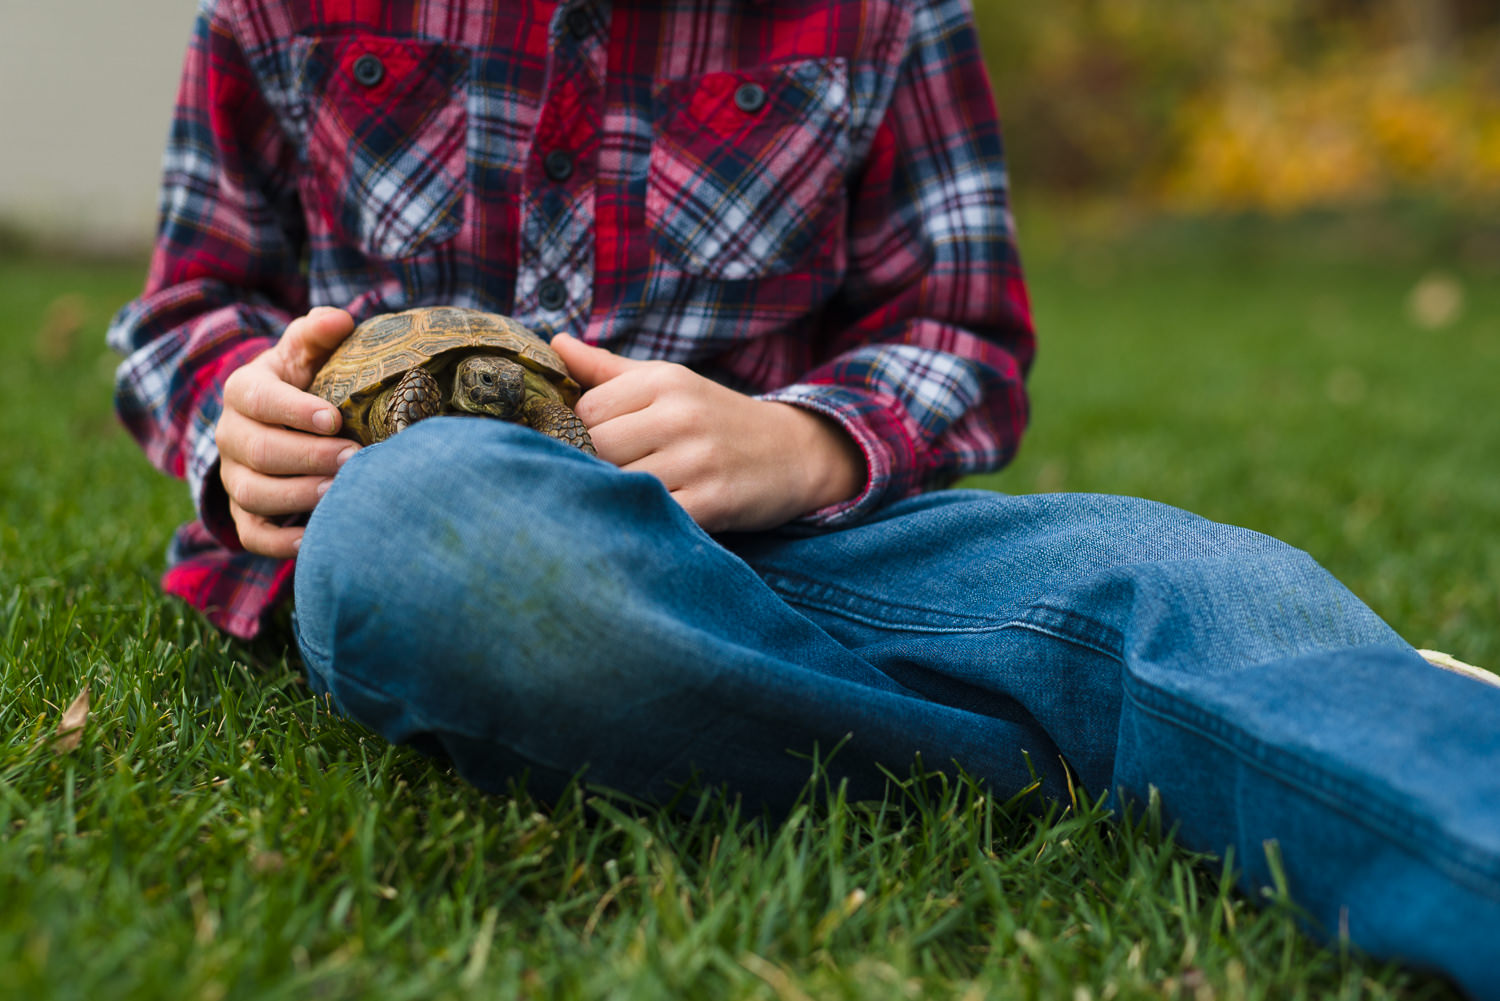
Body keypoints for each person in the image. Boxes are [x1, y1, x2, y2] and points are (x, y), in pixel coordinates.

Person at [109, 1, 1499, 996]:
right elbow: (186, 308)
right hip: (471, 525)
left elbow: (962, 332)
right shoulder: (272, 11)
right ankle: (1079, 740)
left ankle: (1413, 785)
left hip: (824, 540)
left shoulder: (888, 18)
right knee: (431, 541)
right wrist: (240, 430)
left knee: (1184, 572)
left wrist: (804, 440)